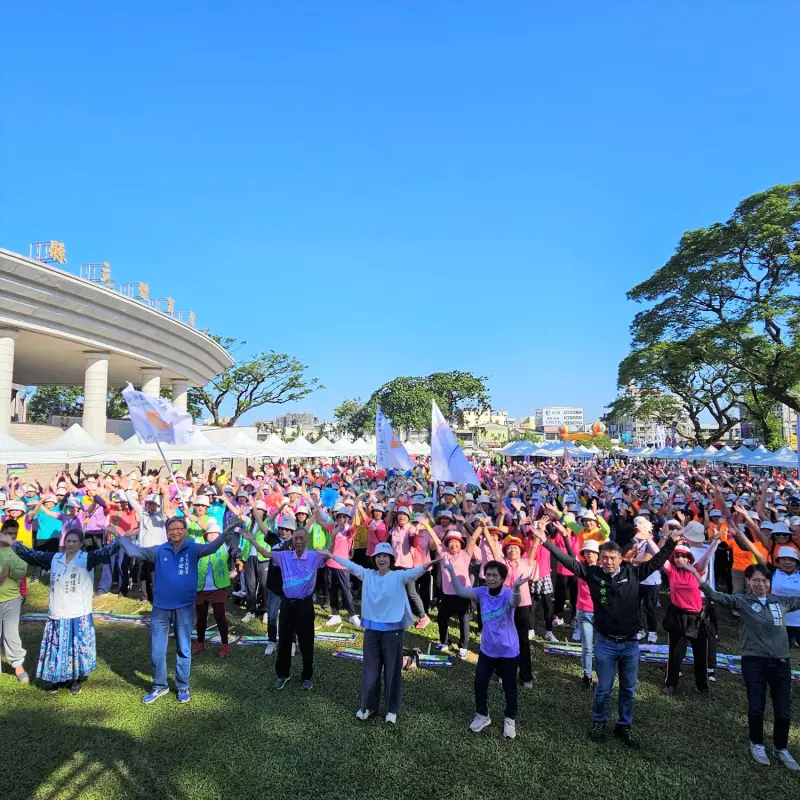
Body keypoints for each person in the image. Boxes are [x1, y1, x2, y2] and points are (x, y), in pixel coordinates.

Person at [532, 521, 678, 748]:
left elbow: (657, 562)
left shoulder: (633, 572)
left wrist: (671, 542)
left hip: (630, 644)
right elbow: (569, 561)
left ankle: (624, 726)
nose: (608, 562)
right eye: (604, 558)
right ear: (600, 559)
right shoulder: (593, 574)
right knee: (603, 688)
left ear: (621, 558)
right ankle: (599, 722)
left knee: (629, 689)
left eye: (612, 558)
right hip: (606, 644)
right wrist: (546, 542)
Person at [688, 561, 800, 771]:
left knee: (783, 710)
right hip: (754, 662)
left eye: (764, 580)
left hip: (781, 662)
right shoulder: (742, 601)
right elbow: (714, 596)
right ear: (748, 581)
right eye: (756, 580)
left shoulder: (782, 602)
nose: (761, 584)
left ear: (770, 582)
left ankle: (781, 748)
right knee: (757, 706)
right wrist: (696, 574)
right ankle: (757, 743)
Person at [114, 515, 237, 704]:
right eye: (172, 529)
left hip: (185, 607)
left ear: (185, 530)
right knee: (157, 650)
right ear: (167, 532)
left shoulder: (193, 548)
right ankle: (159, 686)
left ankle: (182, 686)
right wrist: (118, 535)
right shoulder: (159, 550)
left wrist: (226, 532)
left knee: (184, 649)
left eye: (179, 528)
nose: (176, 532)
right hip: (160, 609)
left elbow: (211, 547)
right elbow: (135, 552)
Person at [318, 541, 438, 723]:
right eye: (378, 556)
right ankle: (368, 707)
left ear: (391, 559)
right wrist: (332, 556)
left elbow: (414, 573)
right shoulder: (368, 574)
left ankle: (392, 709)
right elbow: (350, 565)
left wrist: (427, 565)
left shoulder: (398, 576)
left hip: (393, 631)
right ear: (374, 559)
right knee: (370, 671)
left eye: (385, 556)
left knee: (392, 671)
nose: (382, 559)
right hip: (372, 631)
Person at [12, 529, 119, 695]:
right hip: (57, 612)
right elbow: (31, 555)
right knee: (56, 646)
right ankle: (55, 679)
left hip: (78, 613)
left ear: (81, 544)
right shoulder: (55, 558)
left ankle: (74, 680)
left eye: (75, 541)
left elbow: (109, 550)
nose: (71, 544)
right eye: (68, 541)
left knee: (74, 649)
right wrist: (13, 543)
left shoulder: (87, 558)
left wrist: (119, 535)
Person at [445, 559, 526, 739]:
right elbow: (461, 591)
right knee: (479, 683)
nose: (490, 578)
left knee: (509, 687)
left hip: (508, 651)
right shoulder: (481, 592)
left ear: (503, 578)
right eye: (488, 575)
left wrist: (517, 588)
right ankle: (482, 715)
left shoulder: (507, 594)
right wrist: (450, 570)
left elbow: (515, 602)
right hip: (488, 650)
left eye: (494, 575)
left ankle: (510, 719)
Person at [241, 525, 324, 690]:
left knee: (307, 642)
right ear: (292, 541)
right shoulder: (285, 556)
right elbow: (265, 553)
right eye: (296, 538)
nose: (299, 541)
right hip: (287, 605)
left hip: (305, 606)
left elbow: (330, 556)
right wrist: (251, 540)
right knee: (284, 641)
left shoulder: (315, 556)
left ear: (307, 540)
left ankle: (307, 676)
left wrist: (333, 536)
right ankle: (283, 675)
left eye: (301, 538)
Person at [427, 522, 481, 659]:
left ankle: (463, 646)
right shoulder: (443, 555)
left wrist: (481, 526)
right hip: (447, 594)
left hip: (463, 593)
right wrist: (426, 525)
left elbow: (473, 539)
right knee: (442, 618)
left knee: (464, 620)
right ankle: (446, 643)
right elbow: (436, 540)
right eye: (451, 542)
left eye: (456, 543)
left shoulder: (465, 554)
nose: (453, 545)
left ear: (460, 544)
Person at [192, 518, 233, 658]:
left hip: (218, 587)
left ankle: (225, 644)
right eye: (210, 534)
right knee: (201, 617)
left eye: (216, 534)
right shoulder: (199, 547)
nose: (213, 536)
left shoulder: (224, 546)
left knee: (219, 616)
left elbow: (229, 535)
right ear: (205, 535)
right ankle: (201, 642)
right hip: (201, 587)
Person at [0, 521, 29, 684]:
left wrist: (9, 570)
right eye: (8, 532)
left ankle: (18, 665)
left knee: (11, 634)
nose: (12, 536)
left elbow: (22, 572)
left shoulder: (17, 550)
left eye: (14, 533)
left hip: (12, 598)